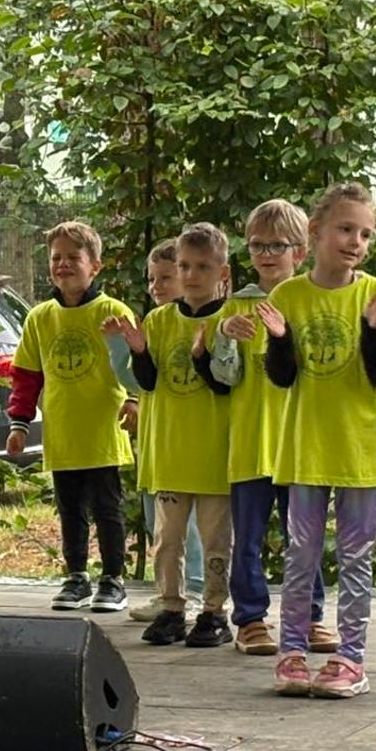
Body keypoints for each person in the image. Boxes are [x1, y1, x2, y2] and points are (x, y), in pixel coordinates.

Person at [258, 182, 376, 699]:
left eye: (365, 234)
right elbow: (281, 377)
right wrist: (280, 339)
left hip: (358, 451)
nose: (355, 242)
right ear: (316, 231)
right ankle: (292, 652)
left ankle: (350, 659)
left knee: (356, 556)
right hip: (305, 449)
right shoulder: (287, 296)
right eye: (346, 229)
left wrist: (373, 332)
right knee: (301, 554)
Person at [214, 199, 333, 657]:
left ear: (300, 252)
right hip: (250, 442)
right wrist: (224, 336)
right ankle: (250, 619)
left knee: (304, 537)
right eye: (257, 245)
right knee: (247, 538)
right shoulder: (236, 306)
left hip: (300, 442)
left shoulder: (312, 300)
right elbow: (224, 377)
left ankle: (309, 617)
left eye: (277, 245)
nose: (266, 254)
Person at [109, 223, 234, 648]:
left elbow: (227, 384)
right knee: (167, 541)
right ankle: (171, 608)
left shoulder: (229, 321)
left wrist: (202, 358)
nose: (191, 275)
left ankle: (214, 611)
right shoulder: (159, 320)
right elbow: (148, 382)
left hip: (214, 455)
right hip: (169, 453)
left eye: (203, 267)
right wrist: (138, 350)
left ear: (222, 273)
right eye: (184, 266)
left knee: (216, 541)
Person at [6, 221, 136, 613]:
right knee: (70, 510)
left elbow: (135, 361)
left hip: (103, 431)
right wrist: (19, 423)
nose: (63, 264)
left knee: (107, 508)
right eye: (56, 258)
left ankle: (113, 578)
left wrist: (134, 401)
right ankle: (76, 576)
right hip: (62, 433)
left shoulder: (113, 311)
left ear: (95, 266)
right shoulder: (40, 318)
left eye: (73, 257)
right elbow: (27, 375)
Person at [129, 238, 207, 624]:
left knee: (193, 528)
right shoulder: (154, 323)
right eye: (151, 279)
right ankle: (168, 593)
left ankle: (197, 590)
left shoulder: (205, 321)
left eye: (165, 277)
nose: (156, 286)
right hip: (158, 442)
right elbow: (142, 380)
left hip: (193, 444)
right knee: (161, 526)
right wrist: (126, 348)